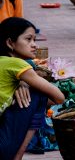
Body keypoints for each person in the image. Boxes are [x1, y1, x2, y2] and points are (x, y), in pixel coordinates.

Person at [0, 17, 65, 160]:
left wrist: (24, 83)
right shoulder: (17, 64)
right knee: (39, 94)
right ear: (10, 43)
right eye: (28, 39)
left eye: (34, 40)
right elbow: (59, 98)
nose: (34, 45)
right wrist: (29, 83)